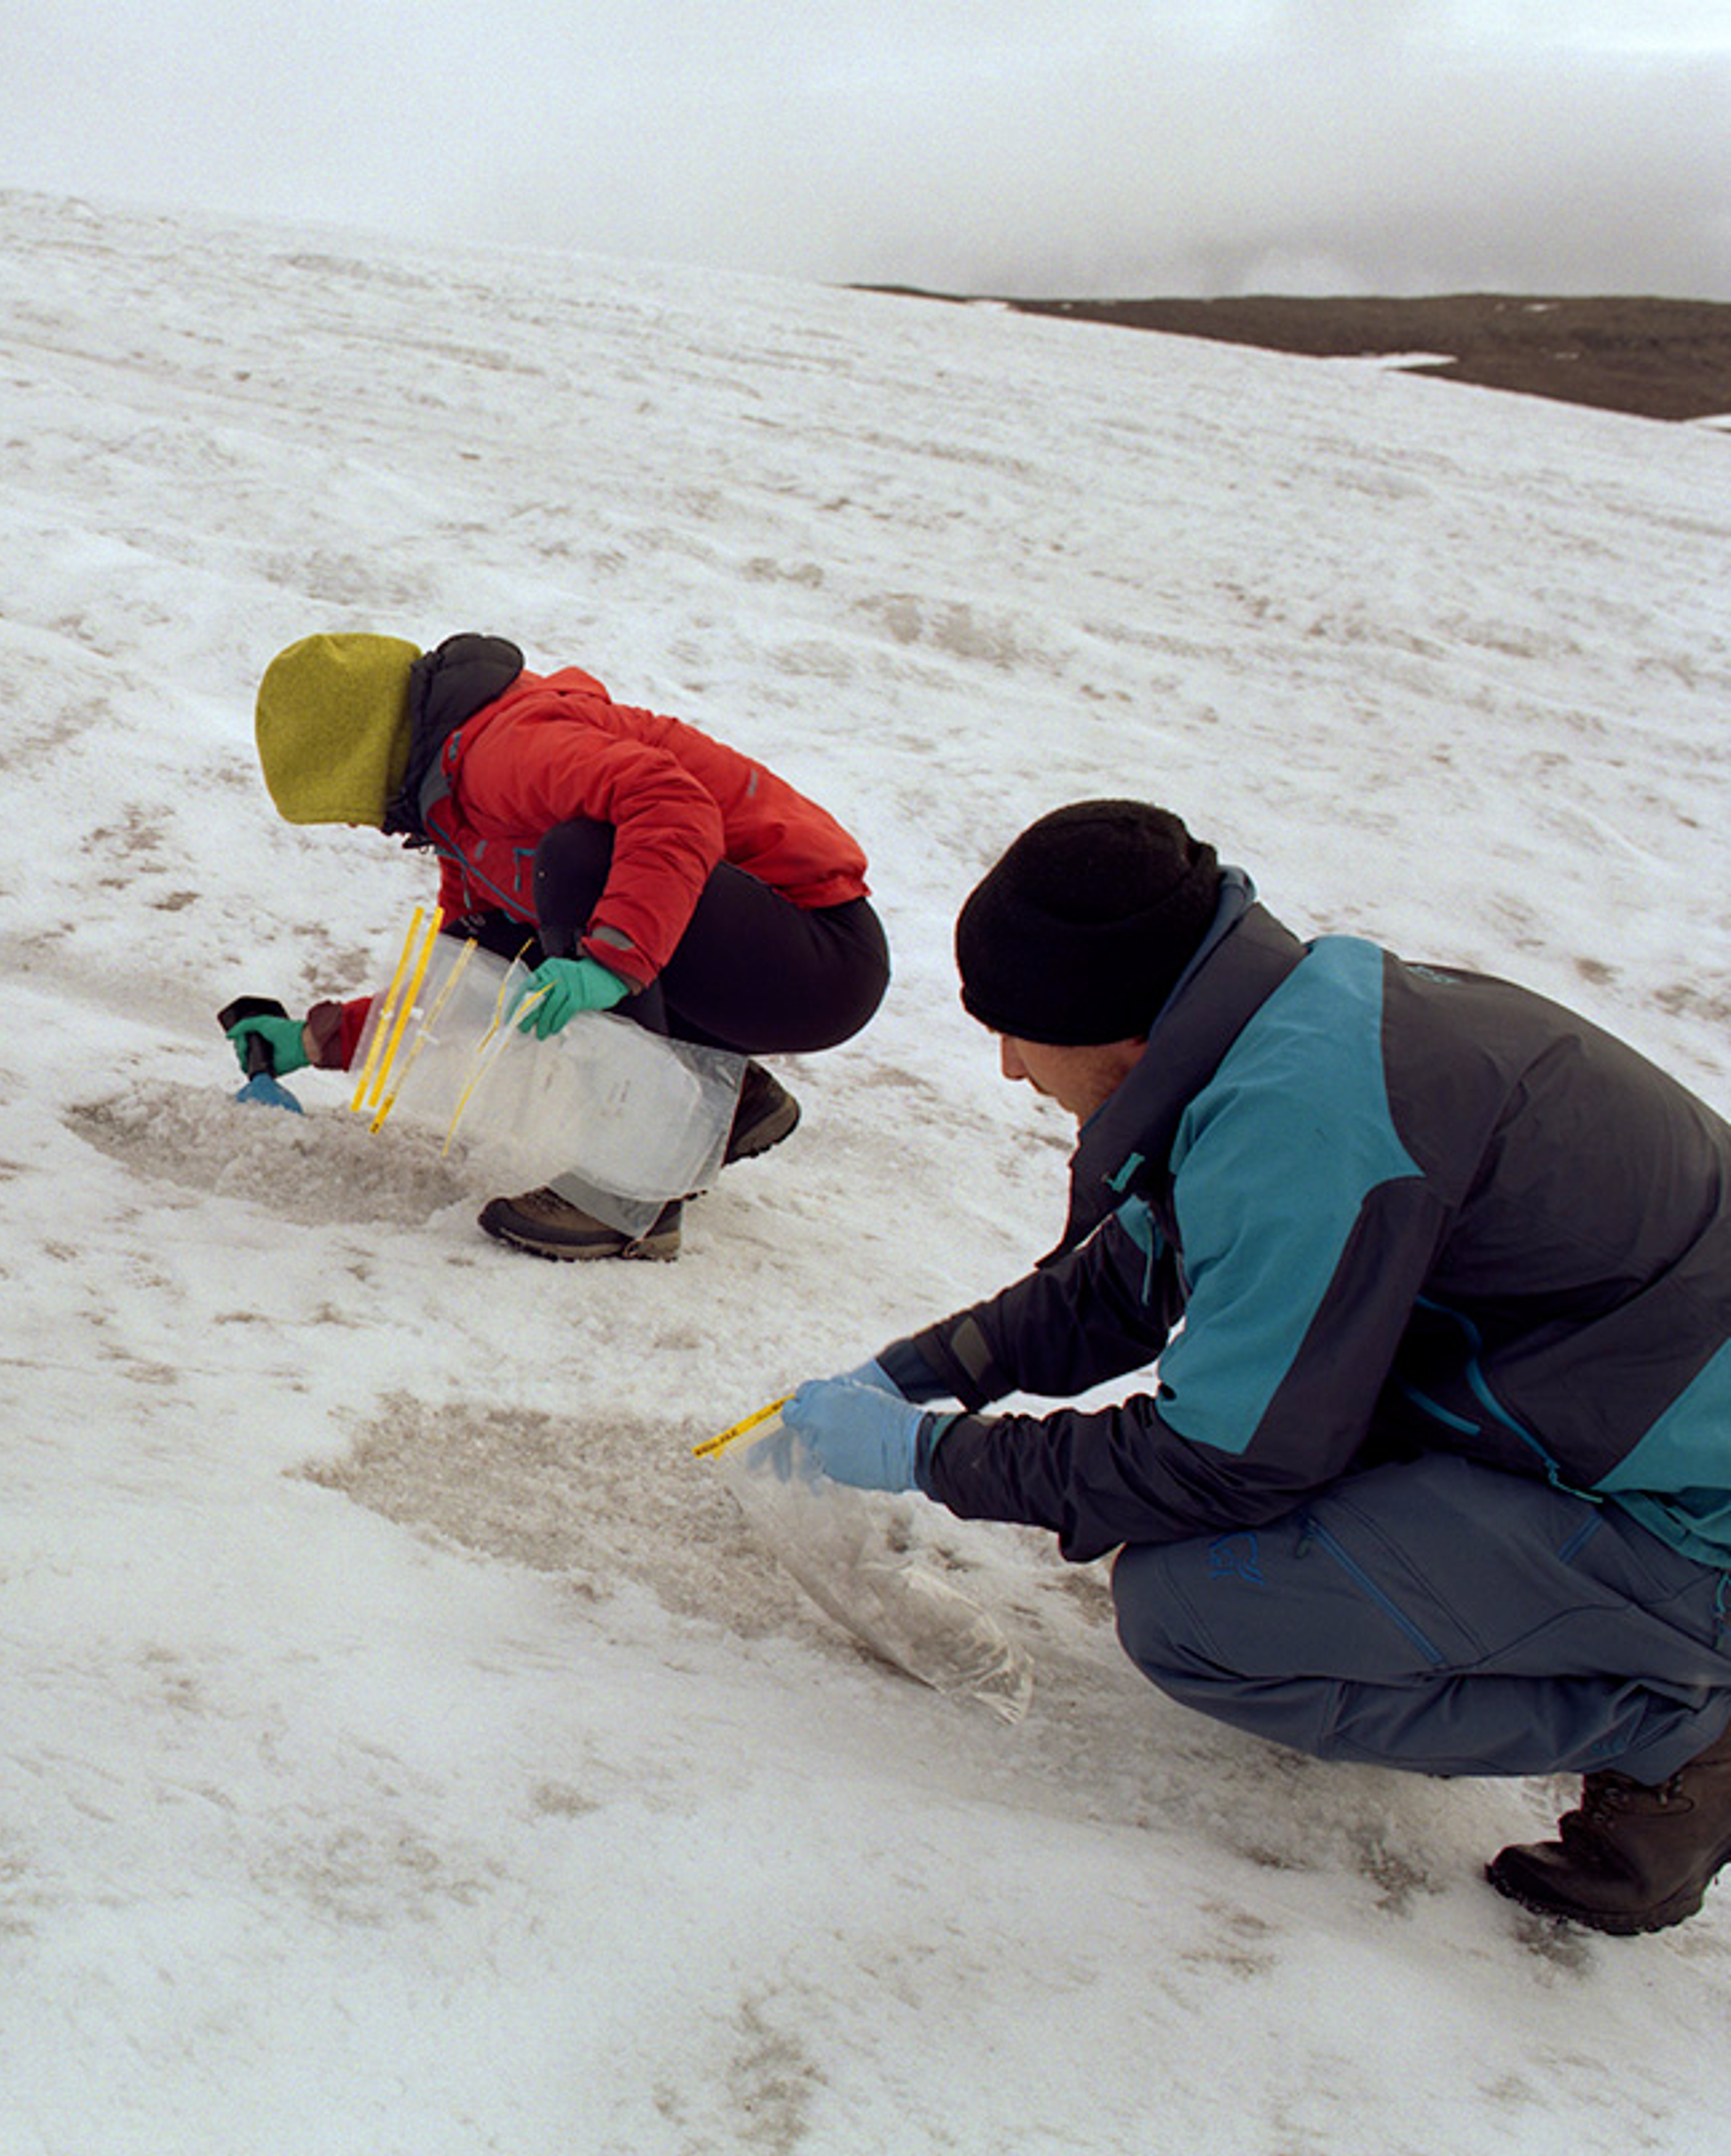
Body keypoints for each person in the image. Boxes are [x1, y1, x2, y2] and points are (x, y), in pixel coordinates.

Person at [753, 800, 1731, 1936]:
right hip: (1596, 1409)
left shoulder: (1306, 1124)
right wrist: (918, 1371)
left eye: (1018, 1030)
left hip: (1684, 1506)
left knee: (1202, 1611)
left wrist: (934, 1456)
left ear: (1116, 1027)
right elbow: (1132, 1275)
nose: (1013, 1067)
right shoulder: (1285, 1025)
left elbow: (1223, 1461)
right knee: (1271, 1497)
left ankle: (1676, 1716)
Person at [214, 629, 891, 1258]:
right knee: (503, 936)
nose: (367, 825)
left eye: (354, 807)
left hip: (821, 956)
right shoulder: (460, 813)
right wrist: (314, 1038)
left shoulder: (502, 752)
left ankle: (632, 1192)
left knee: (576, 861)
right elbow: (467, 981)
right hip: (761, 964)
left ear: (370, 757)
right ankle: (724, 1098)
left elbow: (670, 803)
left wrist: (612, 959)